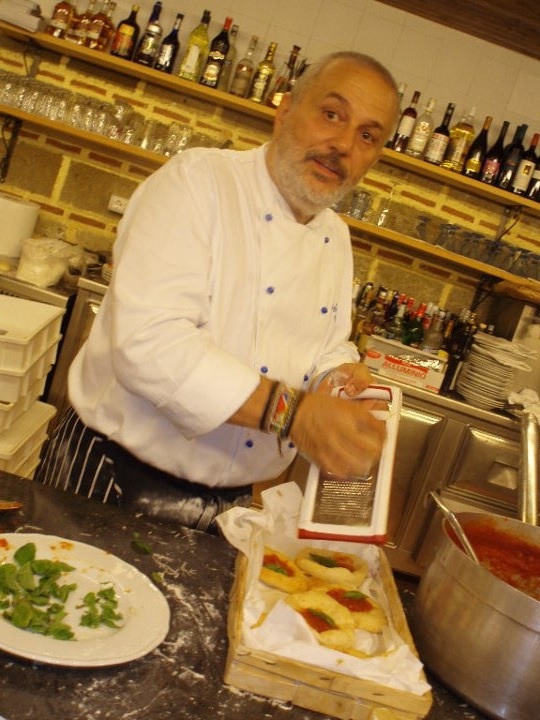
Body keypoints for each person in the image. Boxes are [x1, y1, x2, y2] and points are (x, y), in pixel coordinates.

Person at [36, 50, 399, 532]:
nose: (344, 145)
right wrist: (294, 414)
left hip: (229, 506)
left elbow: (325, 345)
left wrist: (338, 378)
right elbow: (149, 344)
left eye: (368, 135)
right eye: (332, 114)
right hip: (110, 475)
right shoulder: (197, 182)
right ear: (285, 110)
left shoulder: (335, 237)